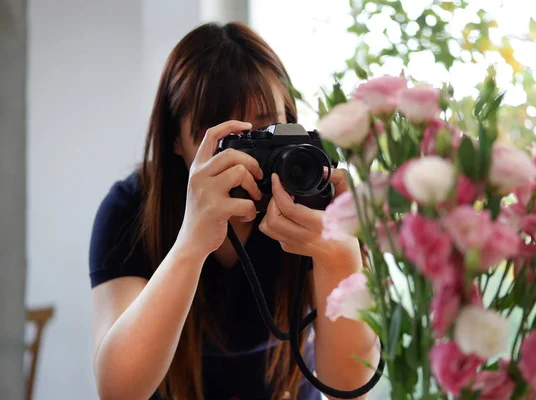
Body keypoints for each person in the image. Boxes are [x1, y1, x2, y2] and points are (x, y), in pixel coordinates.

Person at [88, 22, 378, 400]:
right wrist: (191, 244)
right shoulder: (133, 209)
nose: (246, 158)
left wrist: (340, 254)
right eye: (228, 138)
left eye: (267, 129)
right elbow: (118, 391)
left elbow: (350, 388)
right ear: (176, 140)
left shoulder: (313, 196)